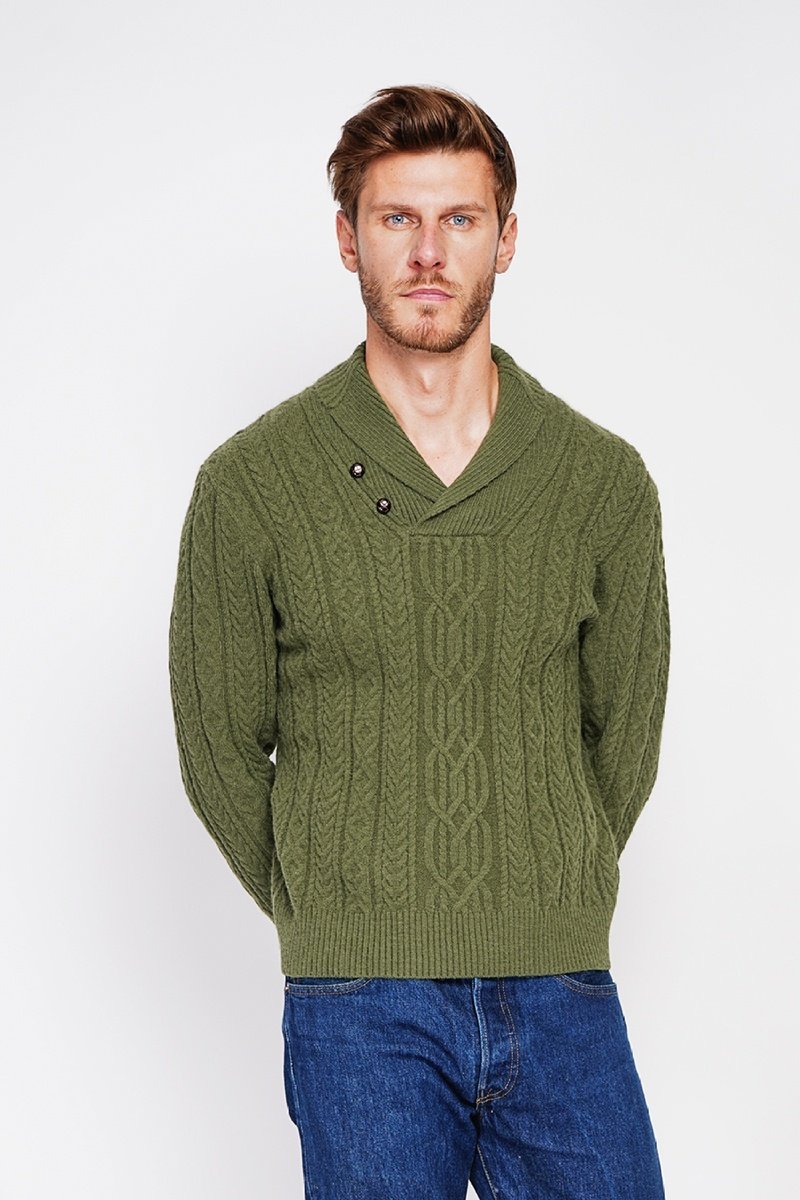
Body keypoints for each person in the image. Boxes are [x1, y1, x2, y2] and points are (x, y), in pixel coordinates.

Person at [168, 84, 671, 1199]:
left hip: (561, 987)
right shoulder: (251, 484)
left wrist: (548, 887)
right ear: (348, 239)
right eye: (397, 218)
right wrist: (335, 906)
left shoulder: (600, 482)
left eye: (460, 218)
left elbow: (622, 736)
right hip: (358, 1005)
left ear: (506, 238)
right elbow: (217, 745)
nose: (429, 252)